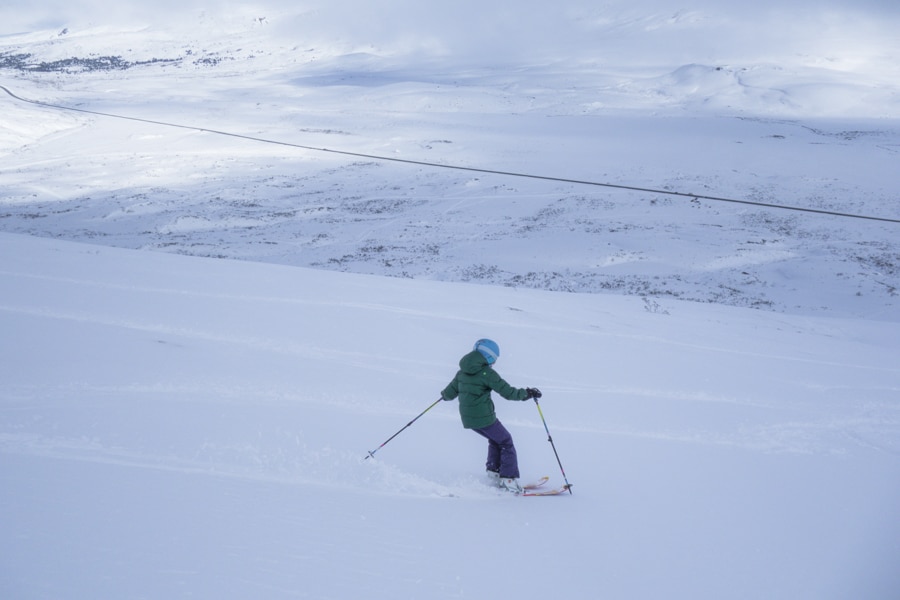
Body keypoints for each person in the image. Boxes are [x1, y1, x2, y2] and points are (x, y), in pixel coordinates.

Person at [441, 339, 542, 494]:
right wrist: (527, 393)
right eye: (494, 360)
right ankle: (508, 479)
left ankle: (494, 472)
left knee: (496, 439)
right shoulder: (487, 373)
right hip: (483, 417)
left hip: (468, 418)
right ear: (489, 357)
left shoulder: (462, 372)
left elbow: (450, 392)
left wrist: (444, 396)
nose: (494, 363)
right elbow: (508, 393)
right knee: (506, 441)